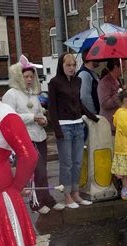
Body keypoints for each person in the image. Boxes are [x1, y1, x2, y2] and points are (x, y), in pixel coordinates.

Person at [2, 55, 62, 214]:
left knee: (43, 170)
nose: (29, 79)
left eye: (31, 76)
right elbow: (8, 117)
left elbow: (38, 111)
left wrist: (42, 118)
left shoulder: (33, 93)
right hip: (24, 138)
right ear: (18, 76)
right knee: (38, 170)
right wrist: (32, 117)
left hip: (39, 135)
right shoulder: (11, 94)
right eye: (25, 76)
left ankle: (46, 198)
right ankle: (35, 202)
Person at [0, 97, 38, 246]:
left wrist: (14, 189)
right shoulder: (2, 113)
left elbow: (29, 155)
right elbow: (28, 155)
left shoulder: (3, 113)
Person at [48, 52, 98, 209]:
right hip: (64, 126)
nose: (71, 68)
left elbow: (79, 103)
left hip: (78, 125)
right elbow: (52, 108)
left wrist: (93, 116)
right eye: (68, 65)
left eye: (73, 65)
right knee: (66, 163)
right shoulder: (54, 83)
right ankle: (67, 195)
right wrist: (57, 129)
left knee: (77, 162)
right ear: (61, 66)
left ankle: (76, 193)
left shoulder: (78, 81)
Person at [98, 58, 126, 133]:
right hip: (110, 124)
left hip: (119, 123)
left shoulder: (118, 80)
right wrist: (120, 93)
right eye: (123, 67)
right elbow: (105, 103)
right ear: (116, 67)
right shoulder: (104, 83)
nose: (125, 69)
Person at [77, 49, 100, 114]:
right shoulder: (84, 74)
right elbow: (84, 97)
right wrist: (93, 114)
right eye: (97, 56)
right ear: (90, 58)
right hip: (91, 116)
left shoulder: (93, 73)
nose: (99, 58)